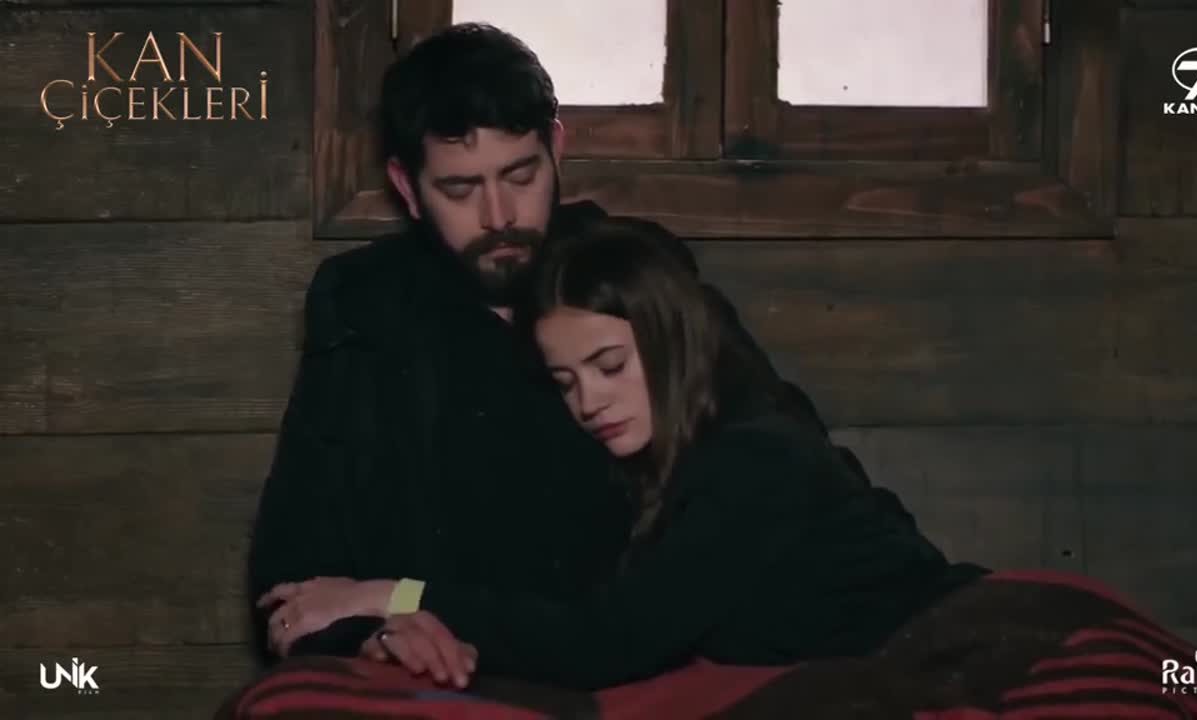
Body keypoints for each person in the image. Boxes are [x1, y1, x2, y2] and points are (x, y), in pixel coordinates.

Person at [248, 22, 860, 674]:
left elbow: (793, 466)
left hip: (628, 651)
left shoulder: (632, 271)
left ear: (556, 150)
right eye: (460, 189)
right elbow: (295, 579)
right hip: (457, 659)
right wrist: (375, 636)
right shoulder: (365, 304)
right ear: (407, 187)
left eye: (521, 175)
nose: (499, 216)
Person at [355, 218, 988, 691]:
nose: (589, 402)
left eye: (610, 366)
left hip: (969, 638)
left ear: (670, 341)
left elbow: (607, 642)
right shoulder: (658, 463)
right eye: (566, 382)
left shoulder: (754, 459)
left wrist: (396, 595)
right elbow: (574, 610)